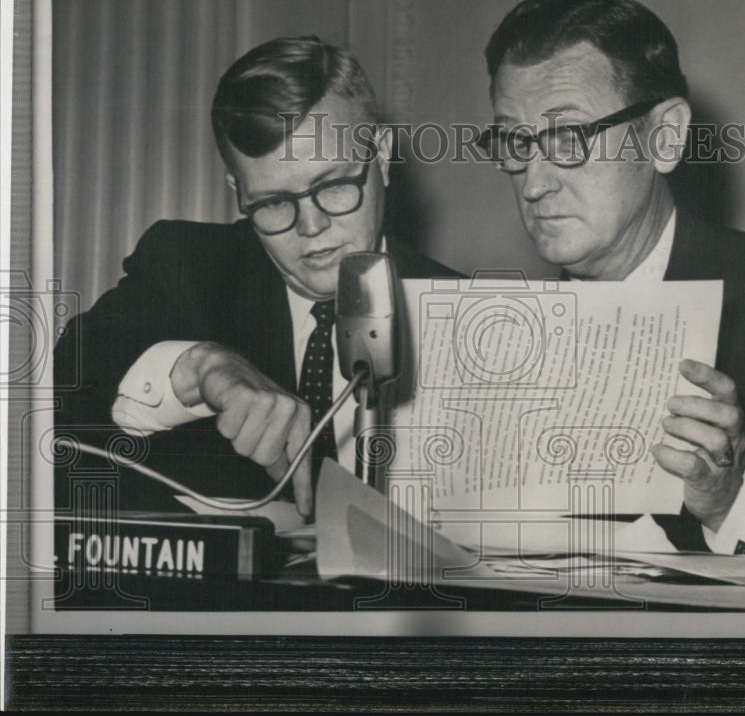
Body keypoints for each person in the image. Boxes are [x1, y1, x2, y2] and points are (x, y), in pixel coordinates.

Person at [477, 0, 745, 577]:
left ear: (666, 137)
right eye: (515, 143)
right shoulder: (492, 335)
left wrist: (733, 501)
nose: (534, 183)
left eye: (568, 136)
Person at [53, 36, 458, 518]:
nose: (311, 228)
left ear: (384, 156)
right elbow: (57, 395)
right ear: (237, 191)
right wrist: (199, 367)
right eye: (271, 203)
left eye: (333, 186)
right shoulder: (186, 265)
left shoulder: (469, 309)